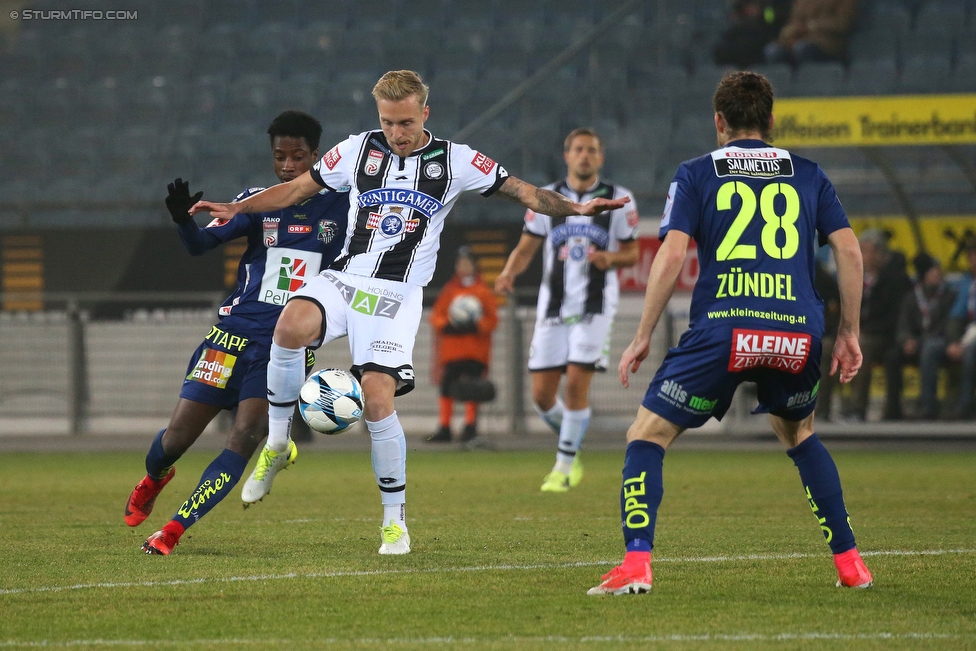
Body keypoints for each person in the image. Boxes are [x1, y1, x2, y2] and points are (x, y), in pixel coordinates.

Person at [190, 70, 629, 555]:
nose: (396, 133)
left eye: (404, 122)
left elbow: (526, 193)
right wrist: (240, 208)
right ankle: (276, 445)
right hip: (347, 279)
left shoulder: (457, 161)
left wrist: (576, 209)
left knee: (378, 399)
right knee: (290, 325)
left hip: (396, 298)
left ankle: (394, 523)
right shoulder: (356, 150)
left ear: (425, 113)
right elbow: (295, 191)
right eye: (387, 122)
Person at [588, 71, 873, 596]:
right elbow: (850, 251)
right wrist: (849, 332)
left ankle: (636, 563)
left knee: (646, 435)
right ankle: (851, 564)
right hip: (795, 331)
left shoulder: (696, 173)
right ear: (771, 121)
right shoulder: (808, 173)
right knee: (799, 434)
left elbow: (672, 253)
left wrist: (642, 334)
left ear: (718, 122)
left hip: (725, 329)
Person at [124, 111, 349, 555]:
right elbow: (199, 245)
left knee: (243, 439)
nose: (287, 166)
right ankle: (154, 478)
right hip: (229, 336)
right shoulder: (256, 201)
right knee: (175, 440)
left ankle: (173, 530)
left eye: (297, 156)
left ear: (316, 156)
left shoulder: (344, 207)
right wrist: (182, 220)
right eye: (280, 156)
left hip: (283, 348)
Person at [495, 128, 639, 493]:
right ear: (567, 155)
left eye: (591, 150)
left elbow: (633, 253)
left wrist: (611, 258)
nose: (585, 155)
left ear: (600, 157)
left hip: (595, 306)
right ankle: (573, 441)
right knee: (542, 396)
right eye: (578, 149)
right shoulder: (548, 199)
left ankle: (564, 464)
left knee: (576, 383)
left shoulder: (620, 199)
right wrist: (509, 272)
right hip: (553, 307)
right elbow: (527, 247)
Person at [428, 246, 499, 443]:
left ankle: (470, 425)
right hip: (452, 351)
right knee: (446, 387)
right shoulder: (450, 290)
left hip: (475, 351)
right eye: (460, 263)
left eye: (467, 263)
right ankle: (445, 426)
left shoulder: (482, 291)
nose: (463, 267)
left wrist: (476, 326)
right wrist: (448, 326)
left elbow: (492, 319)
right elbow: (436, 316)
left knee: (473, 389)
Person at [847, 228, 911, 421]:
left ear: (877, 252)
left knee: (861, 348)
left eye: (864, 250)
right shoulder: (860, 277)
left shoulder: (896, 279)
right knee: (825, 346)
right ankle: (820, 409)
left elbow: (896, 317)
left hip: (886, 336)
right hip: (863, 333)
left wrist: (862, 332)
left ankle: (858, 409)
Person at [892, 254, 957, 420]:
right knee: (892, 356)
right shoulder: (912, 297)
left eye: (939, 273)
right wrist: (906, 340)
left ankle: (928, 406)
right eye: (933, 273)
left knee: (930, 349)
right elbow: (903, 325)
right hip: (915, 342)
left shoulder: (949, 296)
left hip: (940, 341)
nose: (938, 276)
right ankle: (893, 409)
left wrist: (919, 341)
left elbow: (948, 325)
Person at [763, 0, 857, 65]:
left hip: (829, 42)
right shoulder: (802, 2)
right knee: (772, 50)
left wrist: (811, 26)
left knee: (802, 47)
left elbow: (842, 23)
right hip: (801, 39)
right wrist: (790, 32)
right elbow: (794, 21)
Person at [713, 0, 791, 68]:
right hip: (741, 57)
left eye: (752, 6)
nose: (749, 10)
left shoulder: (767, 16)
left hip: (761, 54)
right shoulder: (737, 29)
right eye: (746, 7)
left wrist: (764, 12)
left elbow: (771, 19)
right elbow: (720, 52)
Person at [948, 239, 976, 418]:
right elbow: (956, 315)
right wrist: (954, 341)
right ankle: (930, 406)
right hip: (968, 332)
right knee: (932, 349)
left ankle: (966, 405)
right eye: (971, 257)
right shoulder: (967, 282)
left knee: (970, 352)